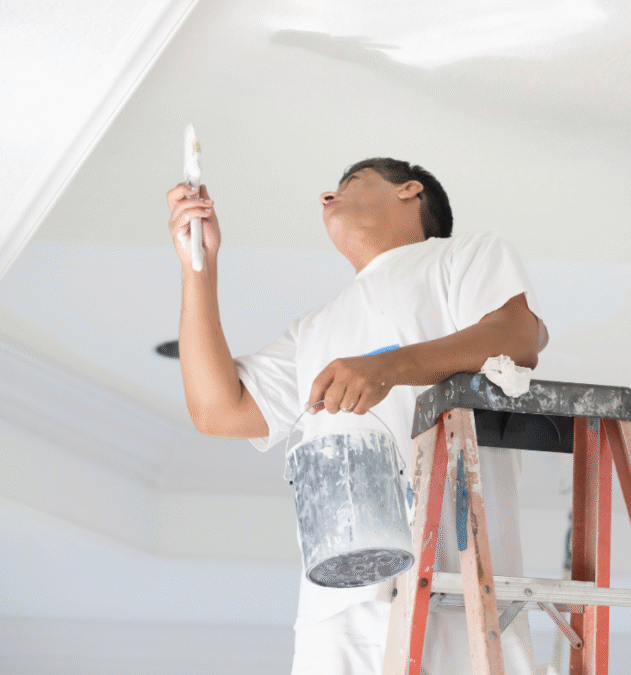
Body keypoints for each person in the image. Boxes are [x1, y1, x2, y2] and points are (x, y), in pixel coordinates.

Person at [166, 158, 549, 674]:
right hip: (335, 600)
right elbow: (218, 409)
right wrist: (199, 266)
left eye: (350, 184)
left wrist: (390, 367)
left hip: (455, 585)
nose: (327, 198)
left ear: (410, 191)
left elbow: (517, 338)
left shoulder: (460, 257)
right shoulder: (314, 329)